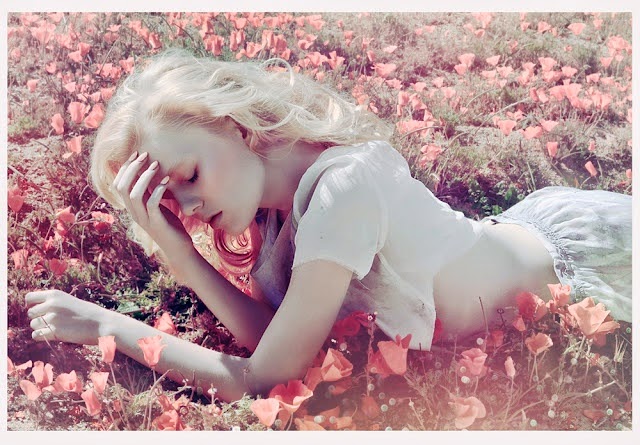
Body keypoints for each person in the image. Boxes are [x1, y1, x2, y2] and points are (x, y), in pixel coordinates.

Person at [25, 48, 632, 403]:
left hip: (585, 258)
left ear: (236, 126)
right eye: (170, 200)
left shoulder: (344, 190)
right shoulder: (274, 212)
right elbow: (277, 342)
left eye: (188, 174)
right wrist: (181, 254)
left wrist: (109, 327)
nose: (187, 206)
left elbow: (267, 376)